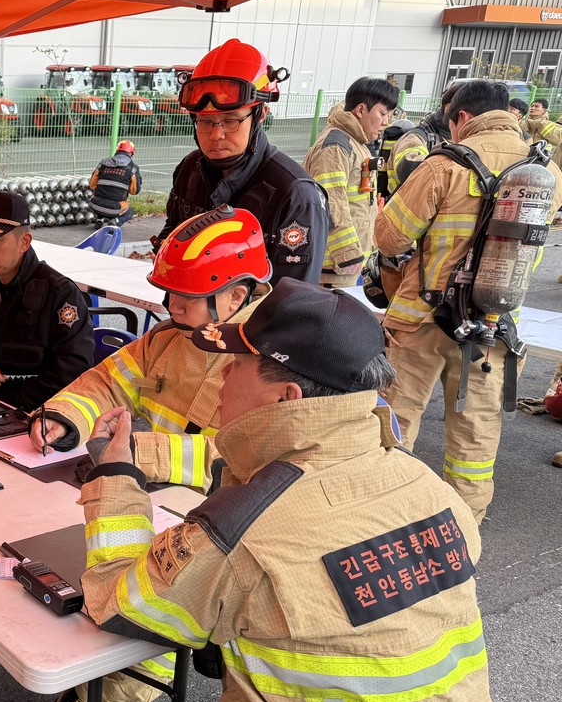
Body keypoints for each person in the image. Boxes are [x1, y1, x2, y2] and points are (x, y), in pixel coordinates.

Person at [74, 278, 512, 702]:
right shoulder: (424, 485)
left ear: (287, 395)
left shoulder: (248, 529)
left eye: (236, 363)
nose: (219, 378)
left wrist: (113, 480)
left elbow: (122, 604)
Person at [27, 206, 273, 702]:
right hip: (145, 496)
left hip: (217, 522)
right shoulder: (171, 336)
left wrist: (139, 453)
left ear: (235, 295)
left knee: (166, 598)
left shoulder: (270, 361)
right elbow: (106, 381)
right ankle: (91, 669)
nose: (168, 307)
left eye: (183, 297)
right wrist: (65, 416)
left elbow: (244, 457)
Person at [375, 79, 562, 523]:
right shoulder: (545, 172)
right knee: (474, 441)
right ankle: (463, 530)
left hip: (421, 321)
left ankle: (381, 519)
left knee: (394, 424)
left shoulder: (443, 165)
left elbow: (388, 236)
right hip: (493, 329)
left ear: (461, 118)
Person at [157, 39, 328, 285]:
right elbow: (171, 233)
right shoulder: (189, 169)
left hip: (250, 324)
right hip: (186, 317)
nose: (216, 135)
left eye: (230, 120)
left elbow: (293, 300)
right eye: (205, 121)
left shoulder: (296, 195)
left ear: (261, 114)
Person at [0, 190, 93, 411]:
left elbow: (72, 368)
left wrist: (17, 407)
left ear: (24, 242)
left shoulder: (60, 292)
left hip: (35, 410)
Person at [303, 77, 398, 288]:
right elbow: (330, 204)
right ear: (361, 110)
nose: (386, 122)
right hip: (334, 268)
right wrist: (347, 254)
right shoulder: (336, 146)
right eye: (382, 114)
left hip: (346, 265)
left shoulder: (355, 143)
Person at [88, 139, 142, 225]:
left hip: (95, 205)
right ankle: (116, 221)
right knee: (129, 212)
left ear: (117, 151)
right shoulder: (133, 168)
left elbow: (92, 185)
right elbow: (134, 191)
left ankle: (99, 219)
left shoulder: (103, 163)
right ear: (131, 153)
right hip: (115, 208)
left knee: (101, 198)